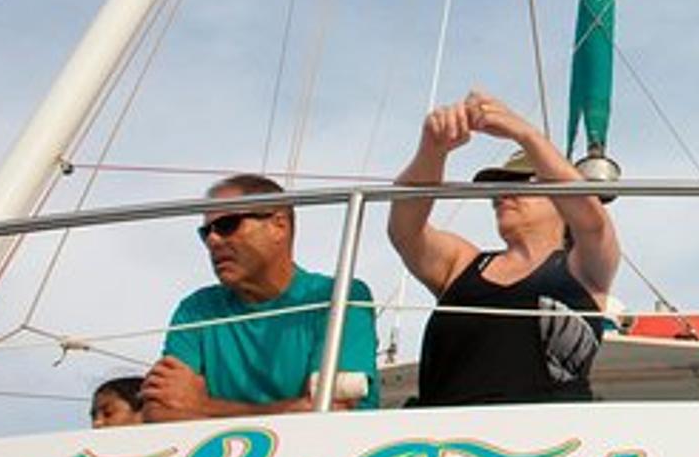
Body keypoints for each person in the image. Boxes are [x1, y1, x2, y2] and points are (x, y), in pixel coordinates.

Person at [390, 90, 620, 406]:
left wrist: (524, 134)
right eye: (499, 187)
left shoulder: (584, 269)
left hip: (549, 443)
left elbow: (593, 223)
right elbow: (405, 231)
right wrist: (432, 149)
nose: (501, 195)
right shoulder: (462, 263)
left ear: (557, 197)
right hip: (443, 441)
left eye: (518, 184)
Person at [143, 173, 380, 421]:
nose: (213, 240)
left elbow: (330, 414)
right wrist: (287, 408)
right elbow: (158, 412)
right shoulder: (196, 310)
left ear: (279, 226)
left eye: (227, 225)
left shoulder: (338, 297)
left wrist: (203, 405)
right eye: (206, 232)